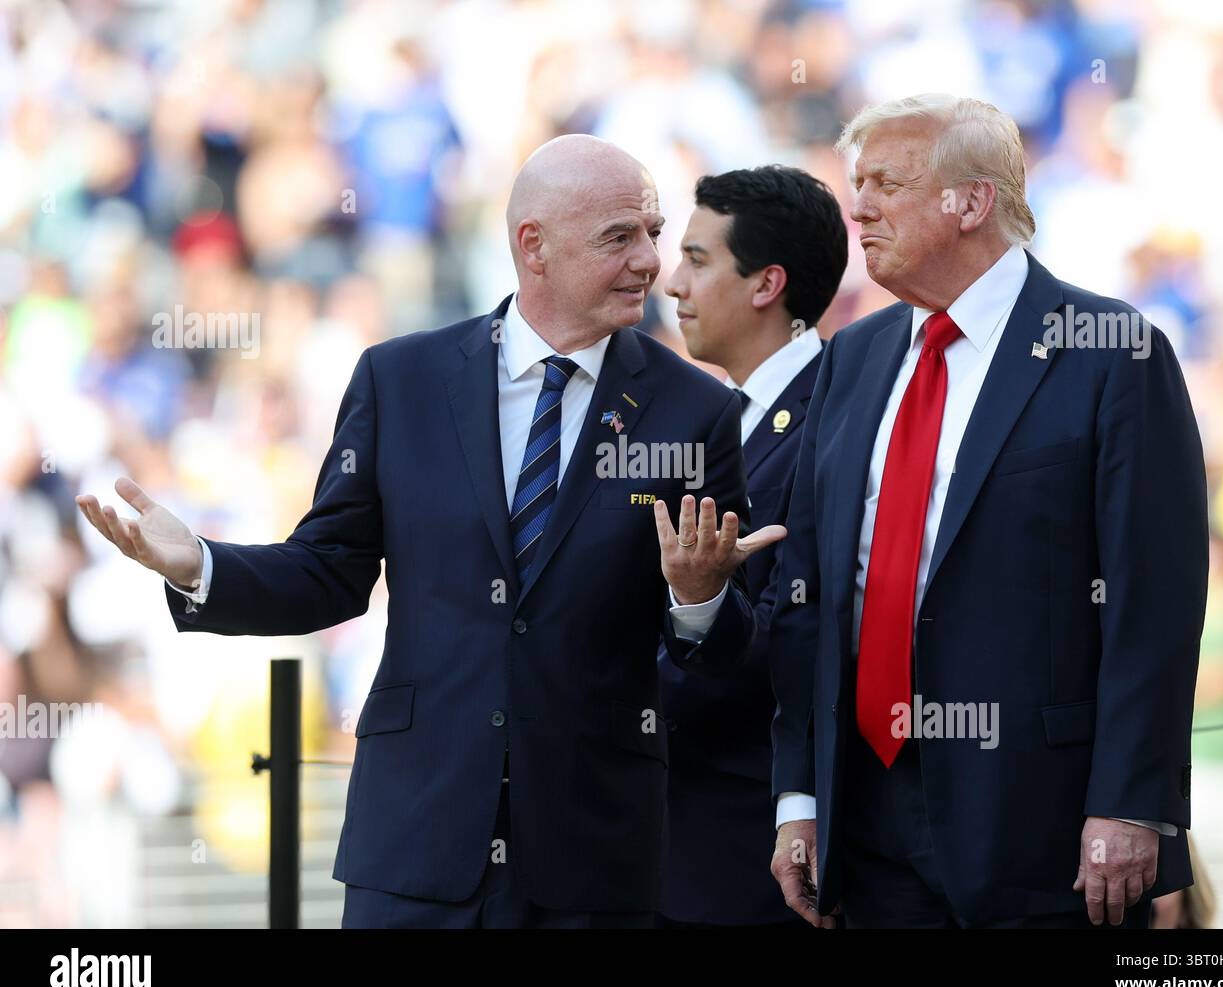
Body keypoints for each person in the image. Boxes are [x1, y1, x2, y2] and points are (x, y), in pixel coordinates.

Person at [76, 134, 784, 929]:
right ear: (534, 246)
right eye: (620, 236)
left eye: (653, 233)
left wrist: (698, 600)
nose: (652, 261)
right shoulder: (399, 379)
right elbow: (330, 571)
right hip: (414, 845)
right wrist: (201, 566)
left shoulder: (700, 413)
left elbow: (736, 655)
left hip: (593, 861)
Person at [768, 95, 1208, 929]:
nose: (857, 205)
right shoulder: (853, 357)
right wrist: (800, 795)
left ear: (971, 202)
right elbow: (810, 593)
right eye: (856, 182)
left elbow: (1155, 600)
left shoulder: (1112, 351)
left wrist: (1130, 803)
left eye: (885, 183)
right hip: (865, 819)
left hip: (1041, 827)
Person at [657, 166, 847, 928]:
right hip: (678, 841)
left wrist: (700, 606)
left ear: (768, 284)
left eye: (699, 260)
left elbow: (806, 639)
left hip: (756, 854)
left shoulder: (836, 419)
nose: (673, 284)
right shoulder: (704, 417)